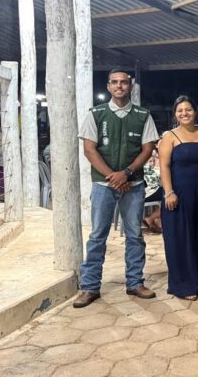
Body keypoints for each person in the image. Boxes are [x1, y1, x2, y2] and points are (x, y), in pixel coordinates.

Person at [73, 69, 159, 308]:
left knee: (135, 234)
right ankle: (90, 287)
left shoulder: (143, 115)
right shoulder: (96, 114)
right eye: (115, 82)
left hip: (134, 184)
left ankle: (135, 283)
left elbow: (147, 148)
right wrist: (114, 177)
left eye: (124, 82)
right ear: (108, 86)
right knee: (97, 235)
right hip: (104, 185)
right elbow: (89, 149)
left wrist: (127, 173)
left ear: (130, 86)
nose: (119, 86)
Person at [158, 95, 198, 301]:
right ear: (175, 114)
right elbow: (164, 166)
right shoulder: (169, 137)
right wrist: (169, 192)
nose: (185, 113)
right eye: (180, 110)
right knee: (180, 240)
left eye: (188, 109)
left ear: (195, 112)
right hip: (179, 195)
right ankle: (184, 284)